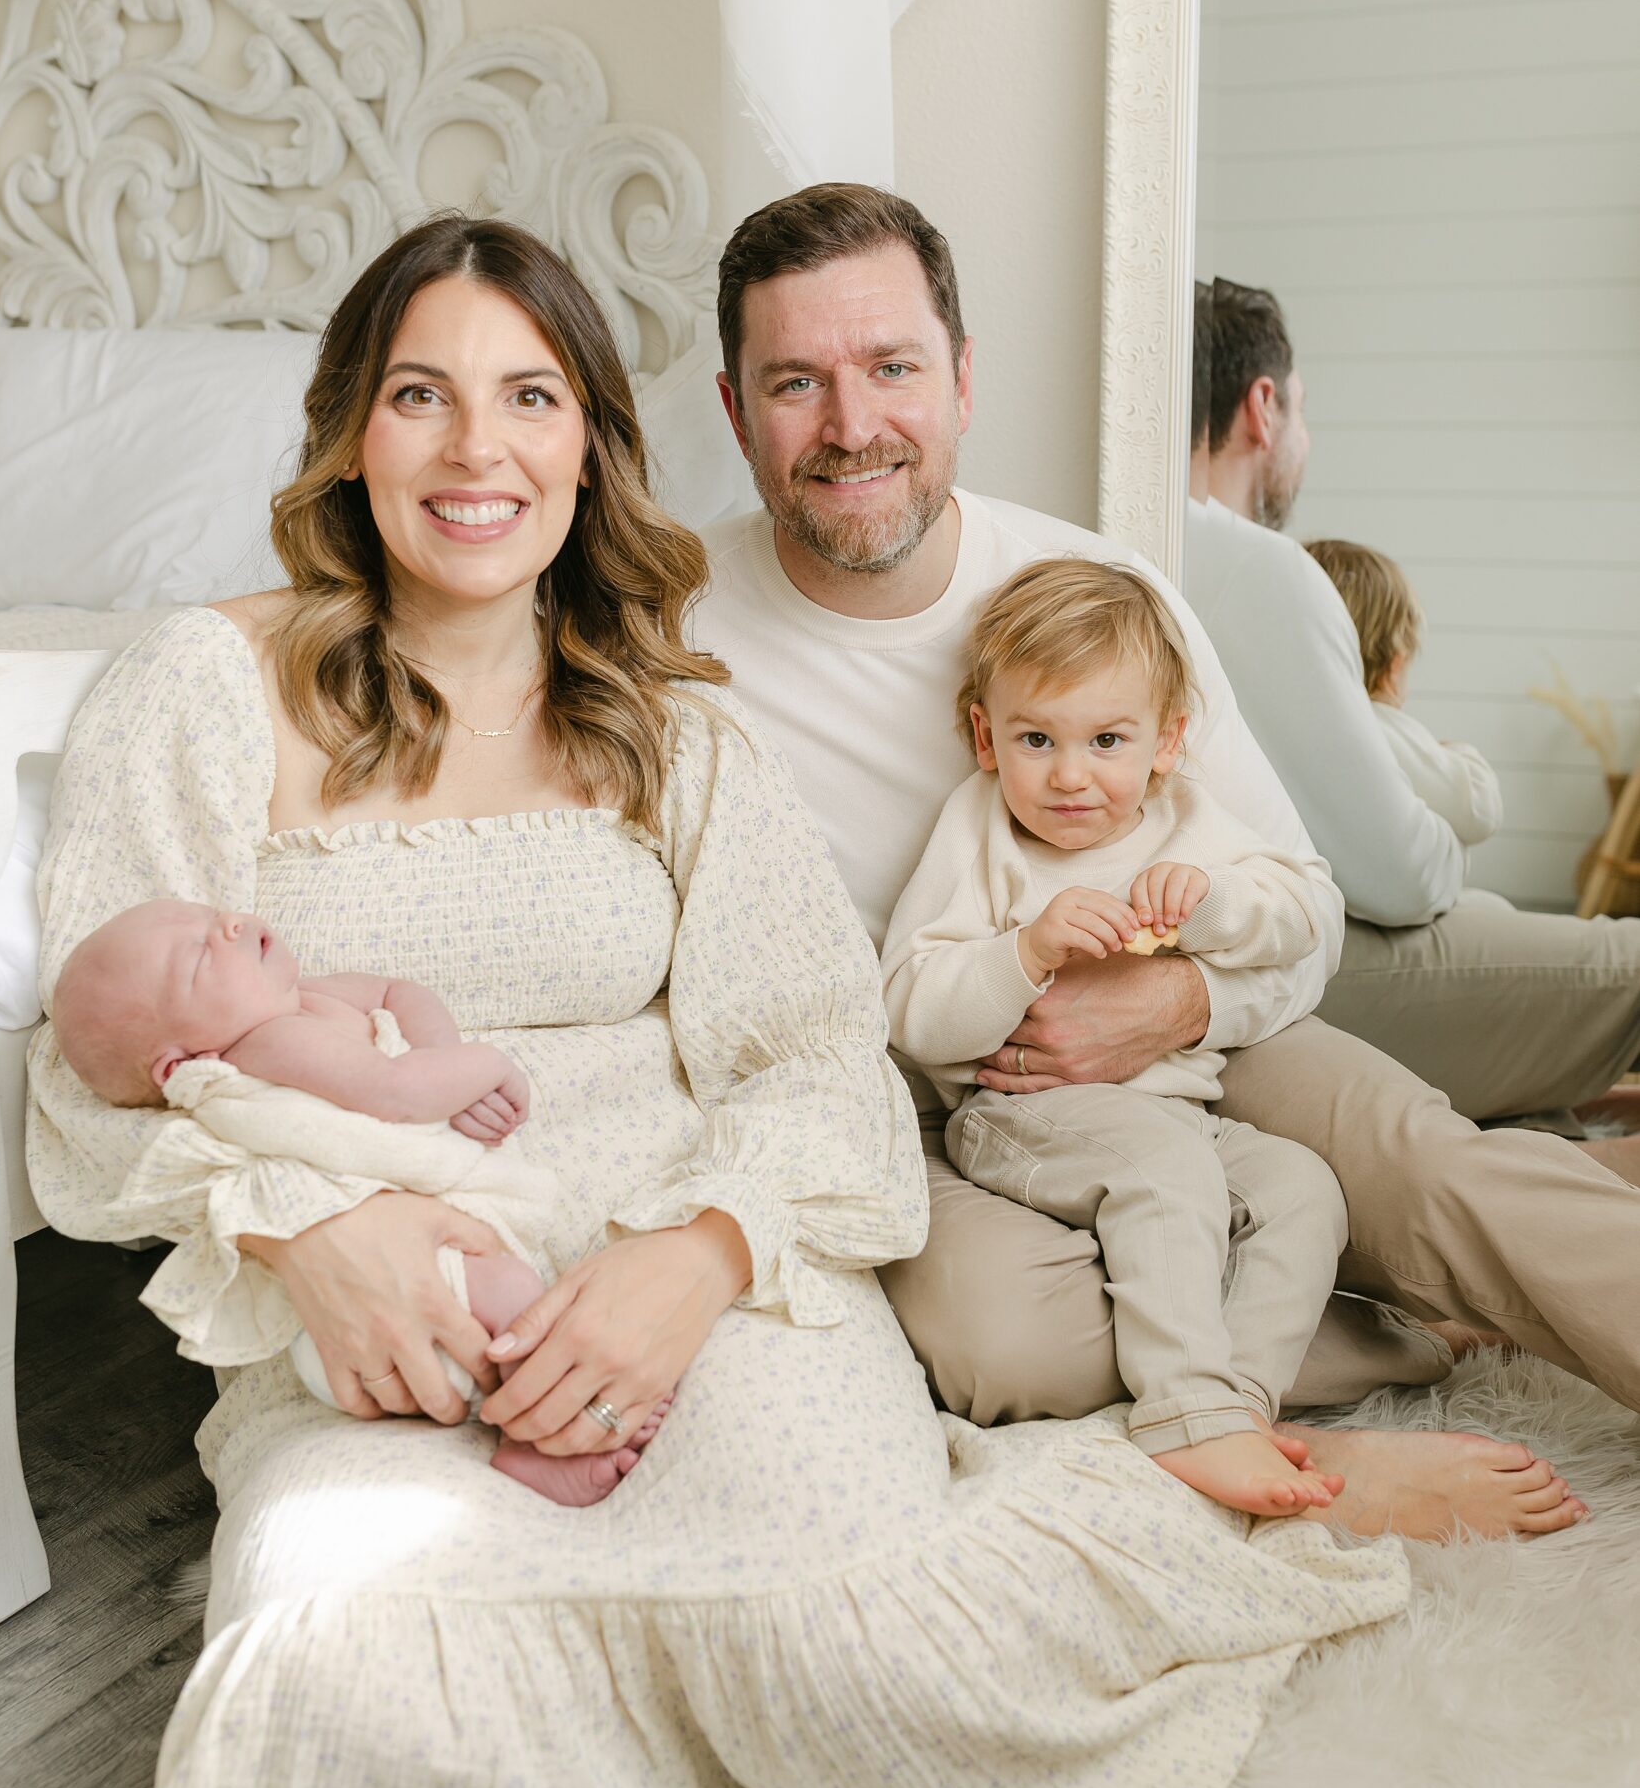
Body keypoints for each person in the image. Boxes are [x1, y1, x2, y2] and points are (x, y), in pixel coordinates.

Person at [30, 214, 1409, 1788]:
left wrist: (697, 1261)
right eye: (419, 396)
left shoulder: (671, 726)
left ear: (591, 442)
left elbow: (820, 1057)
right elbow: (85, 1066)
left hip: (708, 1261)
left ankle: (1201, 1496)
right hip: (386, 1306)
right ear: (348, 431)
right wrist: (310, 1234)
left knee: (882, 1659)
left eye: (528, 397)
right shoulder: (201, 687)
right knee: (341, 1674)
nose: (474, 449)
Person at [694, 179, 1631, 1528]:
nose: (852, 427)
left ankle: (1426, 1282)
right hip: (934, 1100)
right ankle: (1365, 1356)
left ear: (959, 380)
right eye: (794, 383)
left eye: (890, 367)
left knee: (1423, 1173)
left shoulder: (1093, 589)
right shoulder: (664, 626)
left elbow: (1300, 903)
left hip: (1199, 1031)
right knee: (993, 1343)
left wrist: (1178, 997)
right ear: (734, 409)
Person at [883, 557, 1365, 1520]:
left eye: (1107, 739)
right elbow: (908, 1006)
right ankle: (1185, 1407)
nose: (1070, 775)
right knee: (1161, 1173)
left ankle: (1233, 1408)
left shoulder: (1191, 823)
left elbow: (1301, 912)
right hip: (1019, 1112)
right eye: (1035, 738)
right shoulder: (979, 831)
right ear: (986, 737)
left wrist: (1215, 904)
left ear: (1166, 741)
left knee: (1301, 1193)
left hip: (1176, 1115)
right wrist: (1023, 951)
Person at [1185, 278, 1640, 1140]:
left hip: (1228, 947)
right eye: (1304, 414)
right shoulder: (1259, 573)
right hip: (1293, 968)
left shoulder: (1124, 541)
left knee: (1522, 1029)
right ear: (1262, 407)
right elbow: (1406, 879)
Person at [50, 895, 668, 1505]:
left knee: (522, 1290)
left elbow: (400, 994)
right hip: (373, 1308)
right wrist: (483, 1067)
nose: (229, 925)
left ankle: (551, 1406)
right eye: (196, 957)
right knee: (511, 1294)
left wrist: (440, 1059)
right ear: (181, 1063)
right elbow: (394, 1093)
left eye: (211, 916)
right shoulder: (267, 1044)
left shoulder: (305, 1001)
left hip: (392, 1278)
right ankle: (539, 1441)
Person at [1303, 536, 1503, 865]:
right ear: (1395, 665)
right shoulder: (1379, 726)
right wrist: (1453, 751)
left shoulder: (1289, 721)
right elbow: (1481, 807)